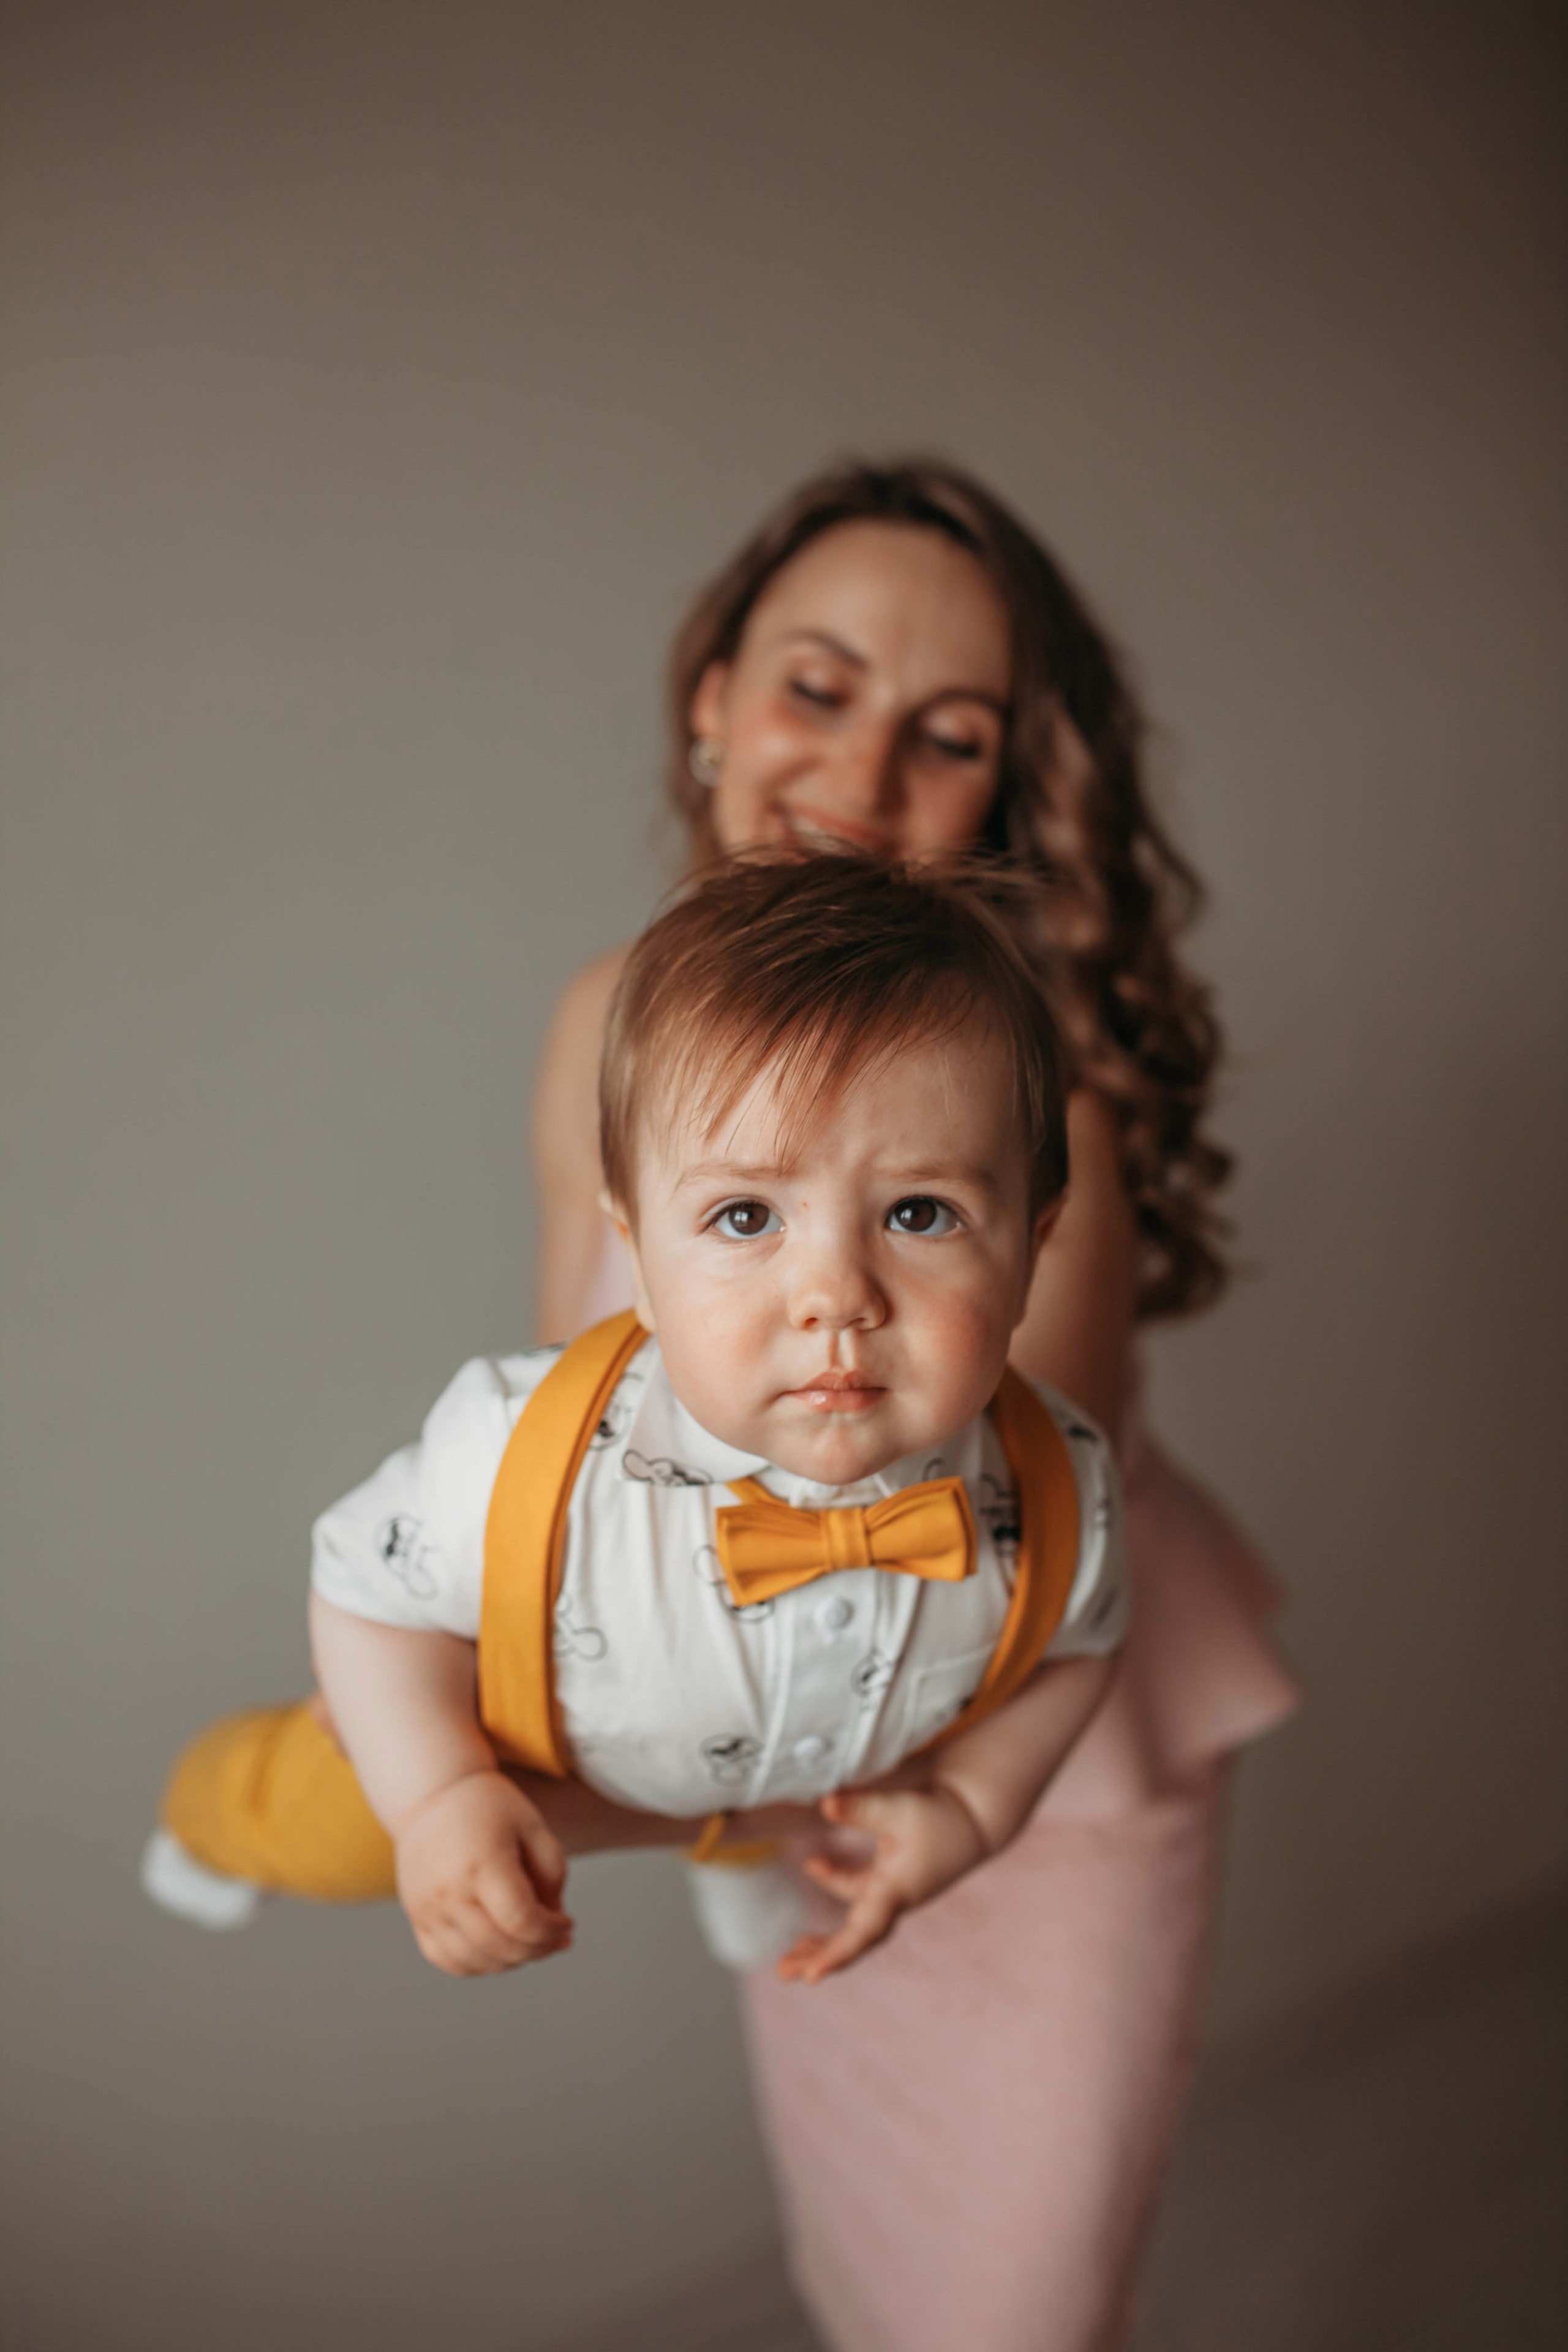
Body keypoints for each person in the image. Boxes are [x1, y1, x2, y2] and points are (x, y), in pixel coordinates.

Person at [530, 459, 1299, 2352]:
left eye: (947, 736)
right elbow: (577, 1417)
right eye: (818, 688)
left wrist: (602, 1780)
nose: (862, 773)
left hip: (1027, 1747)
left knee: (1015, 2315)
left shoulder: (1041, 1094)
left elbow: (989, 1552)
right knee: (873, 2285)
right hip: (770, 1757)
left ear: (1005, 792)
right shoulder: (605, 1025)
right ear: (713, 694)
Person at [146, 856, 1128, 1987]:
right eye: (746, 1216)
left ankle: (733, 1854)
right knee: (317, 1830)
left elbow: (1080, 1650)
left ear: (1032, 1244)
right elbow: (367, 1597)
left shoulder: (1063, 1483)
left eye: (919, 1212)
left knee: (746, 1769)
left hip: (757, 1763)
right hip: (509, 1744)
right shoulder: (519, 1450)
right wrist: (438, 1798)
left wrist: (975, 1807)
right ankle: (208, 1818)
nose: (835, 1296)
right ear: (642, 1256)